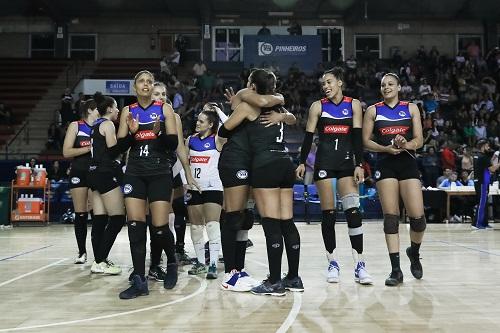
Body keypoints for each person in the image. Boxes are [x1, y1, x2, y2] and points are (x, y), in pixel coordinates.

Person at [221, 69, 303, 296]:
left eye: (249, 83)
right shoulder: (279, 107)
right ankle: (294, 278)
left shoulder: (250, 105)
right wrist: (283, 116)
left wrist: (237, 104)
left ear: (253, 87)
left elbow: (224, 128)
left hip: (266, 165)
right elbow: (294, 118)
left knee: (271, 224)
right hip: (286, 162)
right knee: (287, 222)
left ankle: (275, 282)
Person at [296, 67, 372, 285]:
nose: (326, 86)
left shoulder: (354, 104)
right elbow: (308, 137)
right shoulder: (317, 106)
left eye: (329, 82)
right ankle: (333, 263)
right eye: (323, 84)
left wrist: (360, 164)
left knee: (353, 211)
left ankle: (360, 264)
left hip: (348, 163)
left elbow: (357, 137)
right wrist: (302, 162)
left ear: (340, 82)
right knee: (328, 214)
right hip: (324, 163)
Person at [117, 70, 183, 299]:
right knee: (135, 225)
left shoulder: (165, 109)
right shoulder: (128, 111)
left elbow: (173, 143)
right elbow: (119, 146)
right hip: (135, 171)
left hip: (159, 172)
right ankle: (139, 279)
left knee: (160, 227)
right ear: (135, 87)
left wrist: (158, 133)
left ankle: (172, 262)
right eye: (141, 81)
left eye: (149, 81)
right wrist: (132, 133)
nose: (145, 84)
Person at [218, 83, 285, 292]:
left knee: (244, 216)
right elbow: (223, 130)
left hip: (248, 161)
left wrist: (280, 109)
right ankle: (230, 273)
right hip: (234, 161)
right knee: (232, 215)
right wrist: (279, 98)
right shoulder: (247, 97)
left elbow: (273, 105)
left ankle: (239, 269)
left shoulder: (257, 106)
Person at [362, 73, 426, 287]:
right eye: (383, 85)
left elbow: (420, 140)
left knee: (418, 219)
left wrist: (405, 143)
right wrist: (385, 148)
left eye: (390, 84)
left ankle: (414, 252)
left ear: (399, 87)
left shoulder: (411, 108)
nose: (386, 87)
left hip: (407, 163)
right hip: (385, 163)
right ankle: (396, 270)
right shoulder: (373, 110)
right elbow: (365, 140)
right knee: (391, 218)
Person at [88, 92, 128, 276]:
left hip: (94, 173)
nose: (119, 110)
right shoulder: (108, 124)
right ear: (110, 108)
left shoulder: (94, 125)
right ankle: (99, 260)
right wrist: (129, 139)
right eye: (116, 107)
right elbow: (112, 152)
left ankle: (99, 260)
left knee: (99, 219)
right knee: (118, 217)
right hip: (105, 173)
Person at [184, 107, 223, 279]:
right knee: (196, 228)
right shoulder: (190, 140)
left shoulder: (218, 139)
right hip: (194, 188)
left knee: (212, 226)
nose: (197, 123)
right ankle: (200, 263)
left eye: (201, 121)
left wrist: (218, 111)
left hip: (213, 187)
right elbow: (184, 164)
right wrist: (186, 182)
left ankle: (213, 264)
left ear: (211, 124)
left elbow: (230, 125)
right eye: (197, 120)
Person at [62, 99, 99, 264]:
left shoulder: (101, 126)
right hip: (78, 172)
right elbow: (66, 152)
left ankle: (99, 254)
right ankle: (82, 252)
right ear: (90, 110)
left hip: (95, 173)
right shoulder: (76, 125)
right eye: (98, 108)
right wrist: (89, 148)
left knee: (96, 213)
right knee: (80, 213)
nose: (100, 110)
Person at [472, 139, 500, 229]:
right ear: (483, 146)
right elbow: (492, 169)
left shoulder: (479, 156)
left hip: (483, 181)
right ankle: (476, 224)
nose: (489, 148)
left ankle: (484, 223)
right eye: (487, 146)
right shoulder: (483, 157)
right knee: (482, 203)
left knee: (484, 203)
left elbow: (487, 167)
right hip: (482, 182)